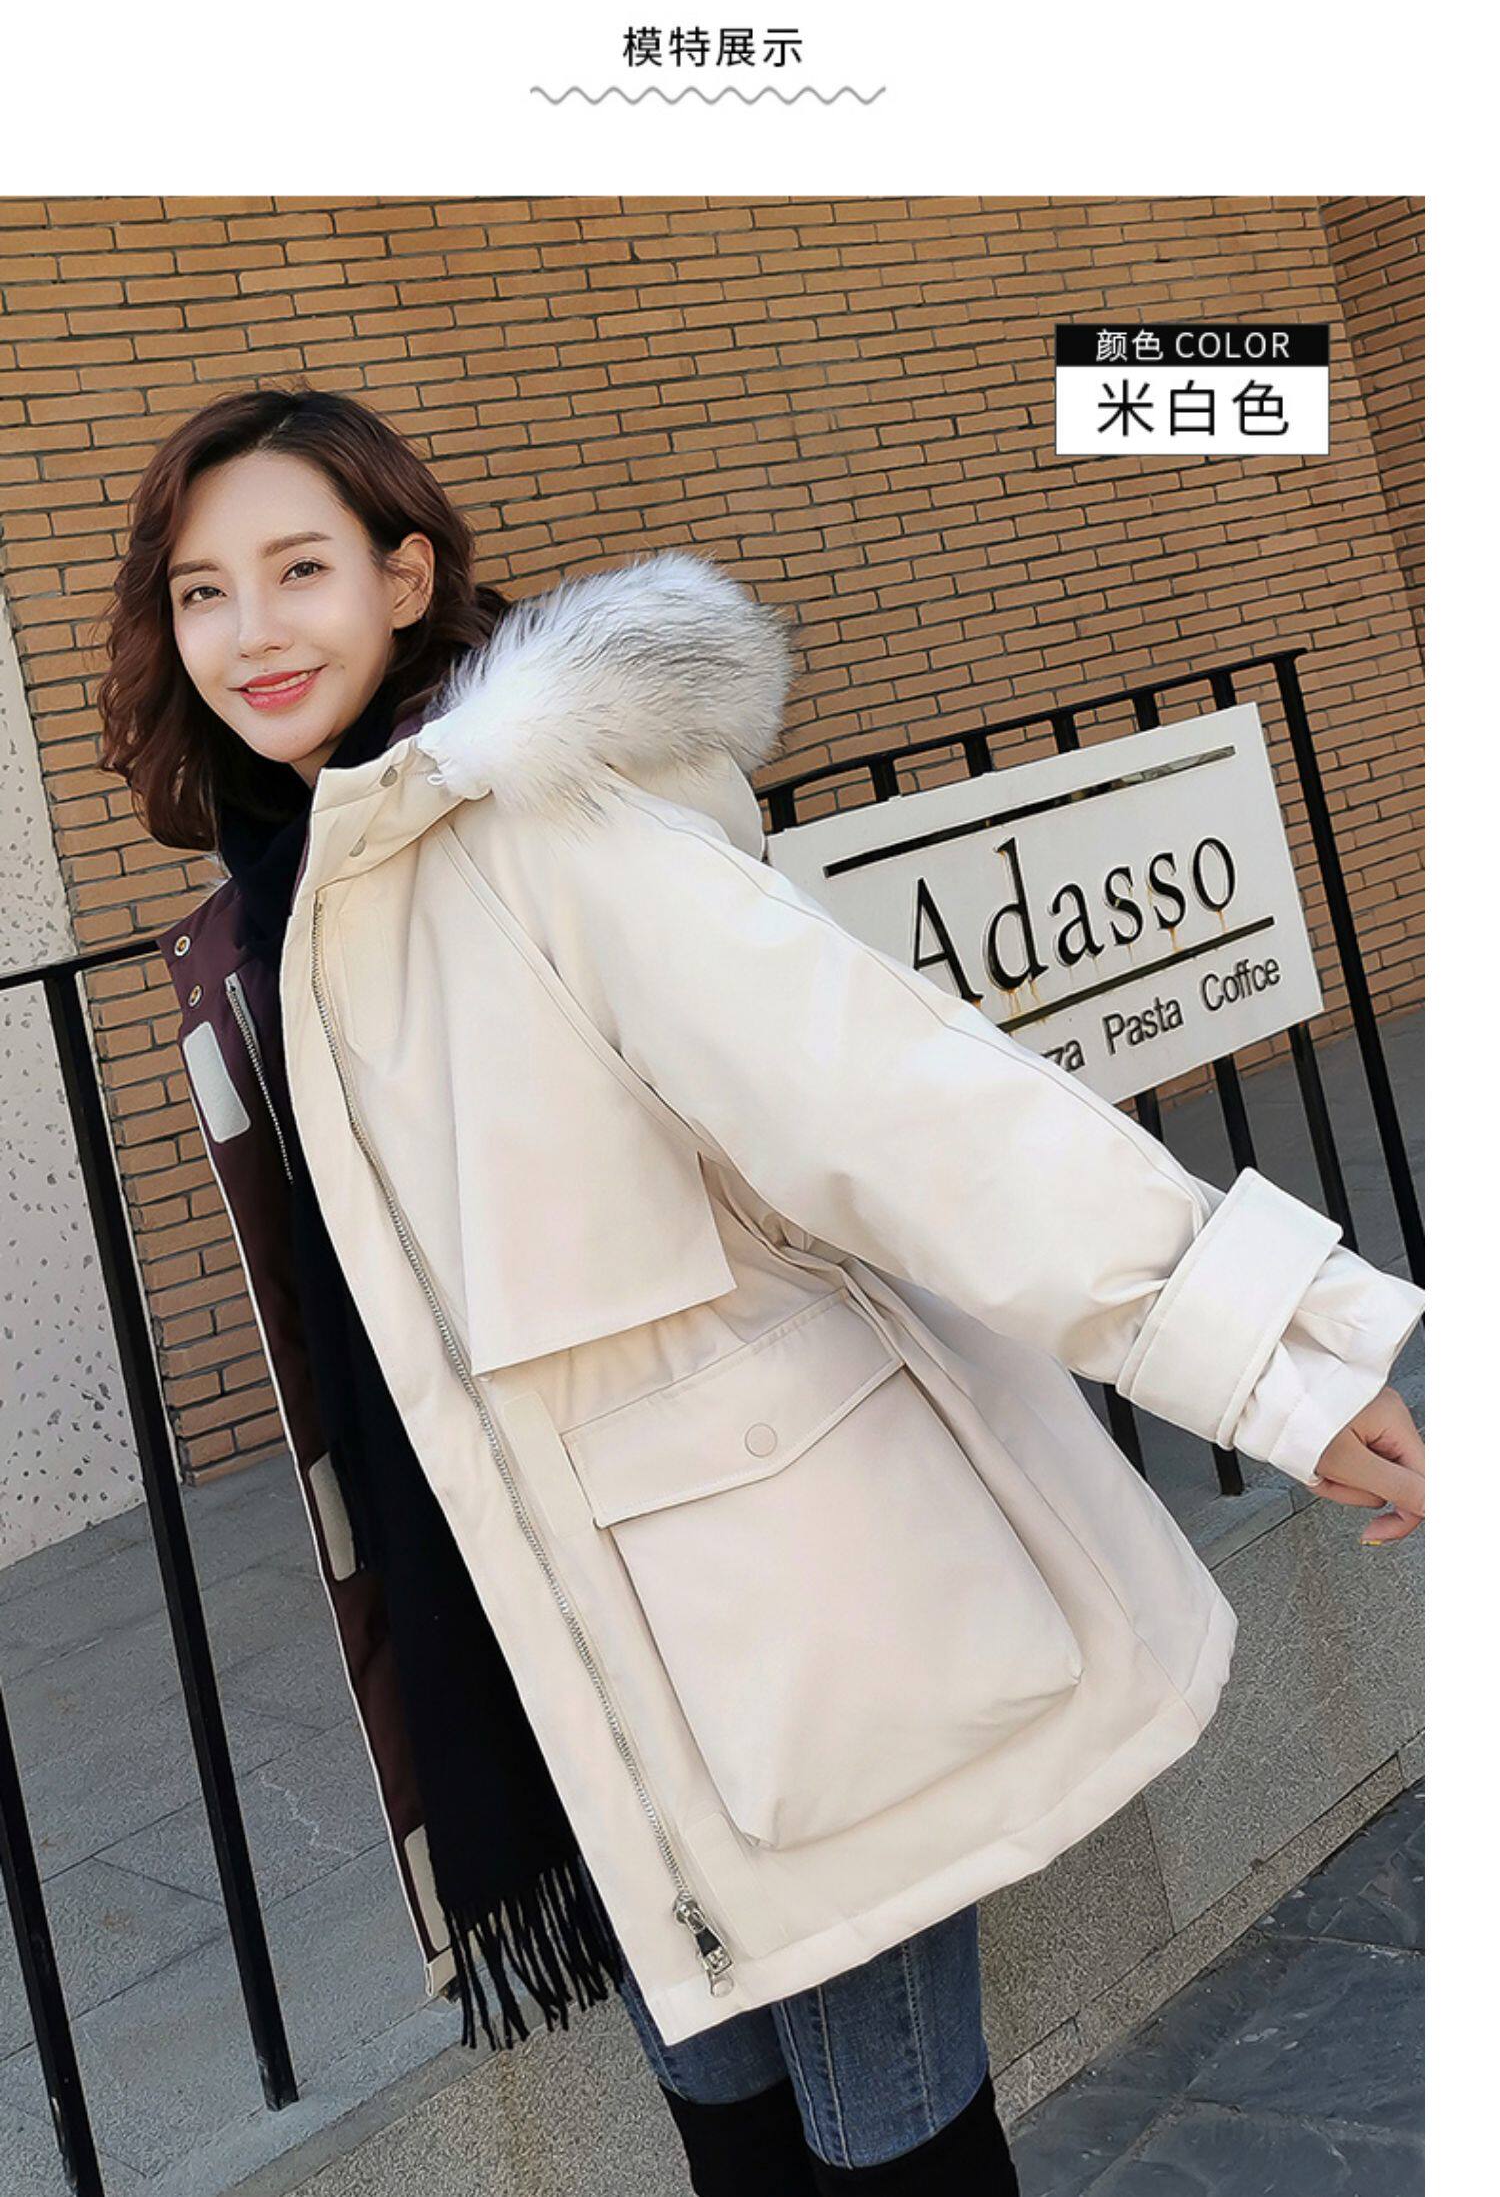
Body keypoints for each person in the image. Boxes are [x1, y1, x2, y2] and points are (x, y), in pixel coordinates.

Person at [98, 385, 1425, 2194]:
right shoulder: (295, 900)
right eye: (203, 590)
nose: (251, 629)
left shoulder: (539, 828)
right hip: (556, 1620)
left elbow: (894, 1094)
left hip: (779, 1596)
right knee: (737, 2146)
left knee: (893, 2149)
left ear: (406, 579)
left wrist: (1264, 1352)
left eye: (299, 569)